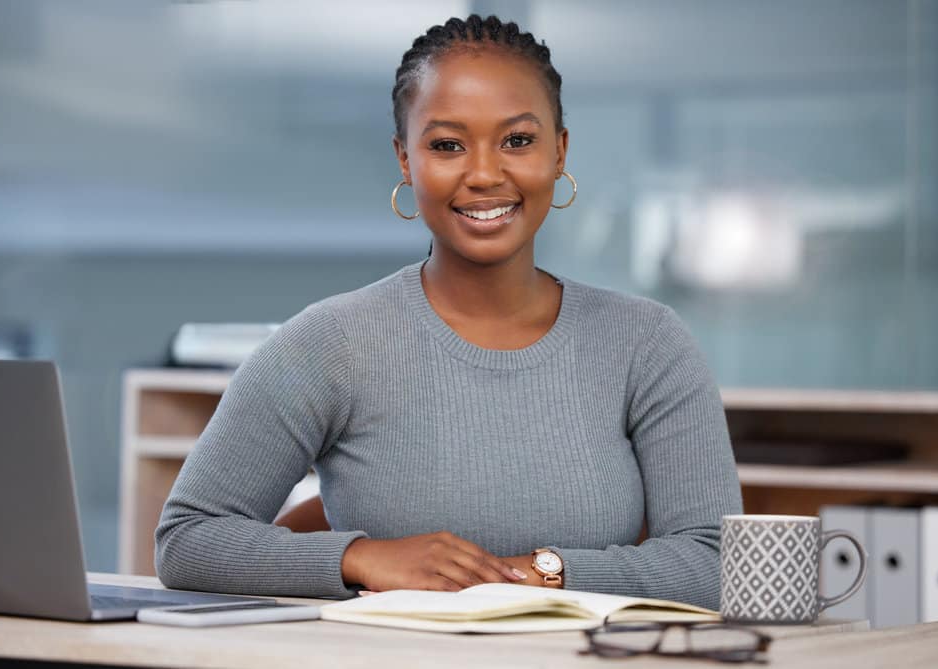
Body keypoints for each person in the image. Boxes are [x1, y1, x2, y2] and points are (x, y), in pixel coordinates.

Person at [155, 14, 742, 608]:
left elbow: (713, 559)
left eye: (518, 140)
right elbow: (187, 539)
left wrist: (531, 575)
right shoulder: (329, 341)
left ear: (560, 151)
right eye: (446, 145)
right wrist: (364, 556)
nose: (484, 174)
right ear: (405, 160)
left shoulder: (646, 342)